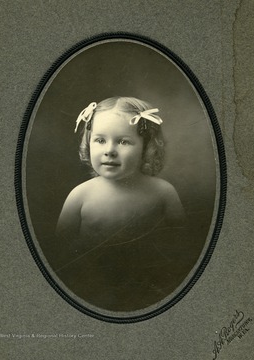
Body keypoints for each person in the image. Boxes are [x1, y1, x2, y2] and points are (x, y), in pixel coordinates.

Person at [55, 96, 185, 311]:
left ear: (146, 146)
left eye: (123, 141)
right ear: (88, 143)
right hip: (90, 289)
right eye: (100, 140)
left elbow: (183, 244)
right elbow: (58, 250)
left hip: (151, 289)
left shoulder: (164, 192)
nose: (109, 150)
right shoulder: (80, 195)